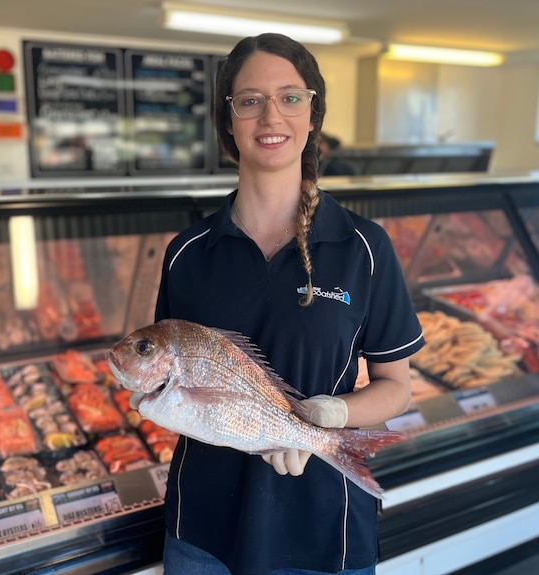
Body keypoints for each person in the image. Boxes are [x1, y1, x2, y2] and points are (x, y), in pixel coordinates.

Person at [142, 33, 426, 575]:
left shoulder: (363, 248)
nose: (271, 116)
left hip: (323, 530)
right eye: (250, 100)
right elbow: (170, 379)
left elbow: (397, 387)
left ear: (313, 113)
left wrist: (329, 415)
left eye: (291, 97)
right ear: (229, 121)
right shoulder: (187, 254)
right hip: (202, 532)